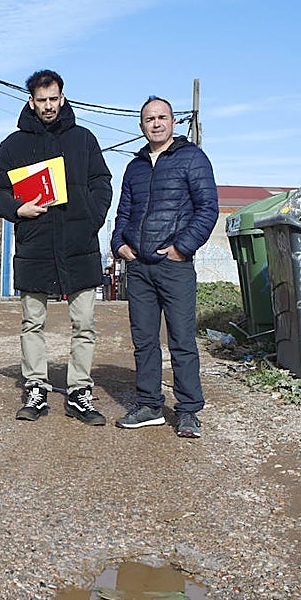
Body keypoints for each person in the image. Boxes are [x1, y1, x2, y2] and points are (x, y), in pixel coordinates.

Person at [0, 69, 112, 425]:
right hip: (35, 247)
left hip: (79, 246)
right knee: (32, 323)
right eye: (41, 101)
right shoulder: (14, 145)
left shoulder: (84, 139)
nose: (48, 106)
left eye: (54, 99)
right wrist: (17, 209)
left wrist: (92, 219)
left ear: (63, 97)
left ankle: (79, 391)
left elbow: (102, 181)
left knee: (84, 324)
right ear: (31, 101)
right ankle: (36, 387)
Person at [111, 96, 218, 439]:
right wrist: (119, 245)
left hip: (175, 267)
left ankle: (188, 411)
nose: (155, 123)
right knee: (143, 340)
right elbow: (123, 213)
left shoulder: (192, 158)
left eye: (162, 117)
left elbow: (207, 209)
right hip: (139, 267)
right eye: (149, 119)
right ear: (141, 126)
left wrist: (181, 249)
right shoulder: (135, 167)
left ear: (174, 122)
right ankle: (149, 406)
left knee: (182, 340)